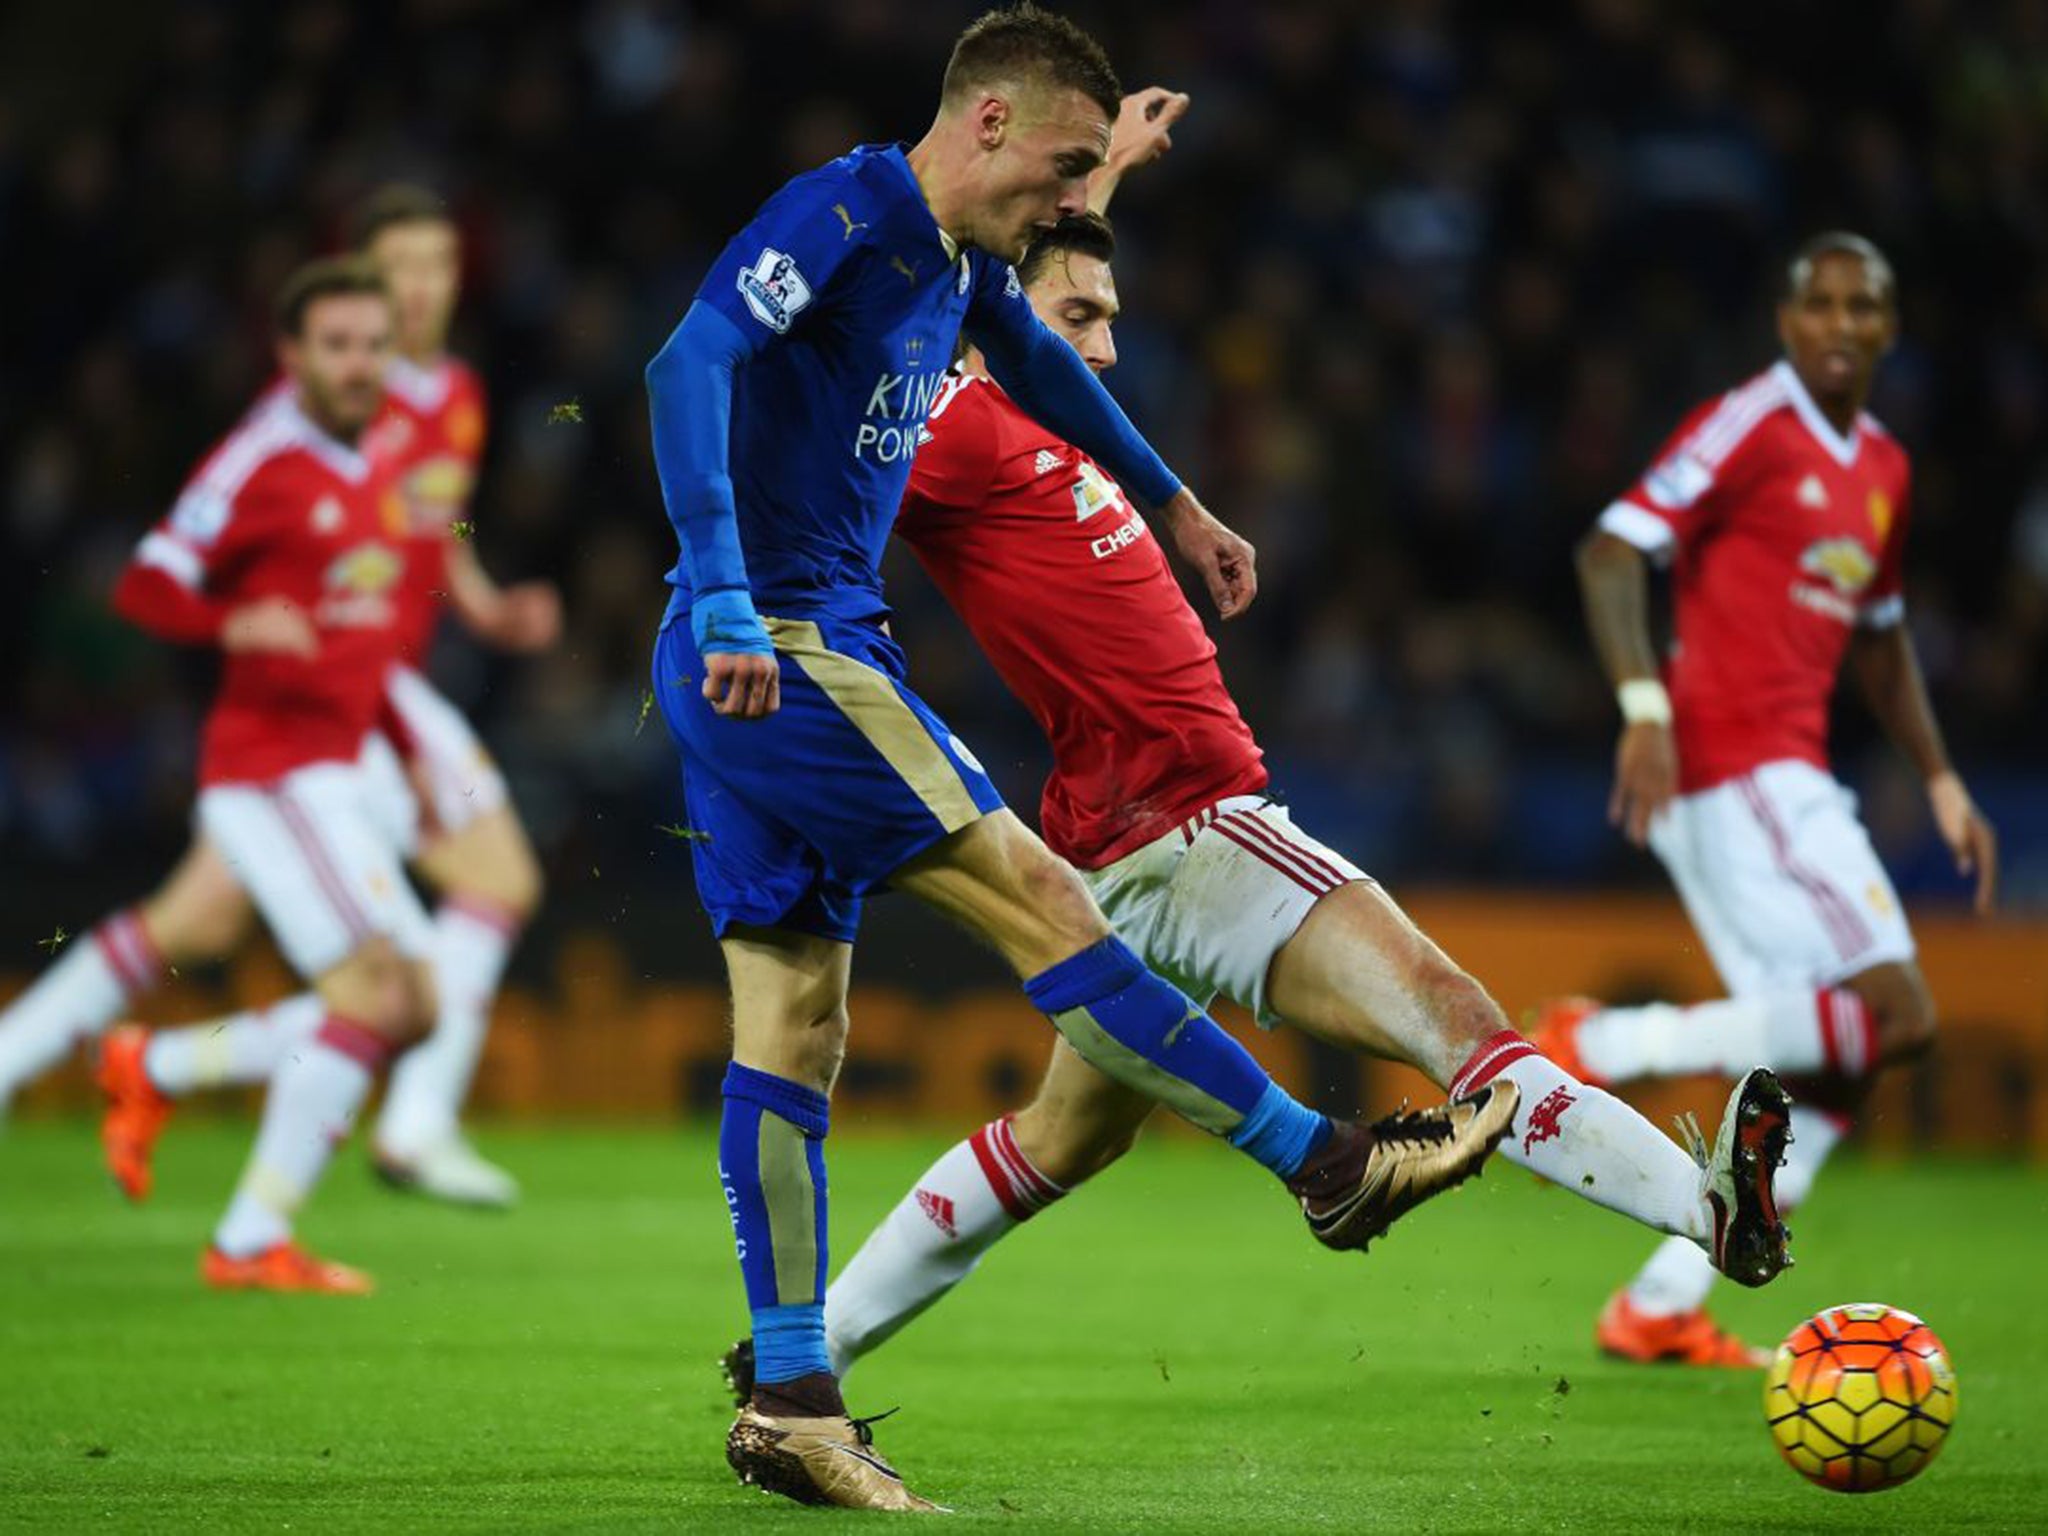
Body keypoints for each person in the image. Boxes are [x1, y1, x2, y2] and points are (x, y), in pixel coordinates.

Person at [716, 94, 1794, 1403]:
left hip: (1113, 850)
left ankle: (797, 1355)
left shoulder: (1046, 418)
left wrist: (1102, 173)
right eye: (1083, 322)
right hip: (1189, 826)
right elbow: (934, 297)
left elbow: (1026, 280)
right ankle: (1709, 1216)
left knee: (1056, 1142)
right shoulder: (946, 426)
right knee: (1460, 1025)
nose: (1106, 353)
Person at [644, 7, 1514, 1513]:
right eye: (1059, 169)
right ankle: (1325, 1165)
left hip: (762, 657)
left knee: (791, 1029)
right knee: (1049, 898)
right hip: (779, 642)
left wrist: (1174, 503)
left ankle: (791, 1400)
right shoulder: (843, 213)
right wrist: (725, 583)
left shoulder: (964, 263)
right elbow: (684, 363)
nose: (1072, 204)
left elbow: (1045, 361)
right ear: (985, 125)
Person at [1529, 232, 1999, 1367]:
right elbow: (1609, 551)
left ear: (1886, 328)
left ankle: (1653, 1305)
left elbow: (1878, 640)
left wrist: (1937, 777)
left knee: (1824, 1078)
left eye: (1862, 307)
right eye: (1820, 304)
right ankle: (1604, 1037)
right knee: (1899, 1017)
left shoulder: (1880, 465)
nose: (1840, 324)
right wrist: (1642, 705)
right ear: (1787, 322)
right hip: (1739, 767)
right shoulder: (1753, 421)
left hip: (1760, 778)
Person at [91, 186, 557, 1210]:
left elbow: (435, 531)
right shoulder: (330, 407)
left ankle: (198, 1101)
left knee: (415, 961)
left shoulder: (458, 397)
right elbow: (194, 557)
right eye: (405, 268)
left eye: (442, 265)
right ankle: (389, 1136)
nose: (426, 286)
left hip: (372, 696)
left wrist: (479, 608)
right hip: (325, 707)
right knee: (420, 952)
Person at [106, 257, 435, 1293]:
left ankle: (155, 1069)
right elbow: (146, 580)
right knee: (375, 994)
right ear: (290, 356)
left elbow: (364, 624)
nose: (356, 364)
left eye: (371, 345)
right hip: (269, 773)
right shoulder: (258, 458)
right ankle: (248, 1240)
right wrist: (226, 618)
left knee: (416, 1004)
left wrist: (408, 751)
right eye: (334, 346)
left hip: (337, 768)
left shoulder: (382, 450)